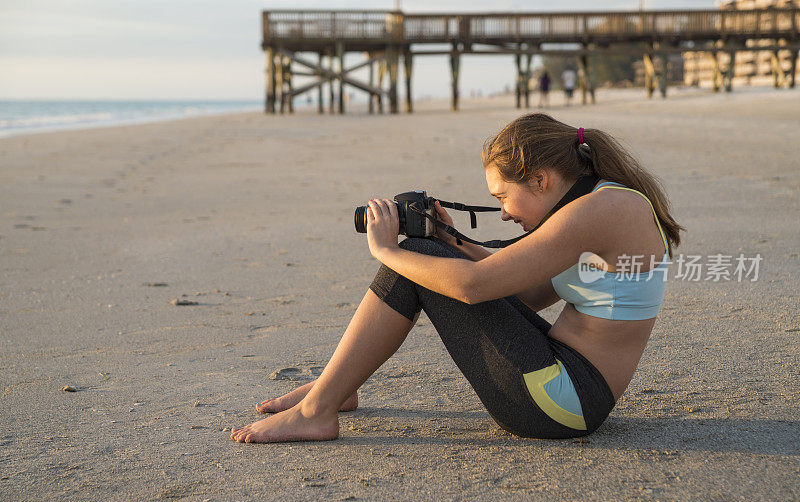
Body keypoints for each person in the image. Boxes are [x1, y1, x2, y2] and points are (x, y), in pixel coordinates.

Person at [230, 113, 684, 443]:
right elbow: (524, 291)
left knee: (410, 261)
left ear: (542, 180)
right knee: (424, 257)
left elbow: (475, 286)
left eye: (503, 196)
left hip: (563, 405)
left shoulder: (600, 211)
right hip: (567, 386)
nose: (503, 213)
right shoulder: (604, 204)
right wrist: (449, 240)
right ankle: (337, 387)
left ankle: (319, 408)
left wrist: (386, 249)